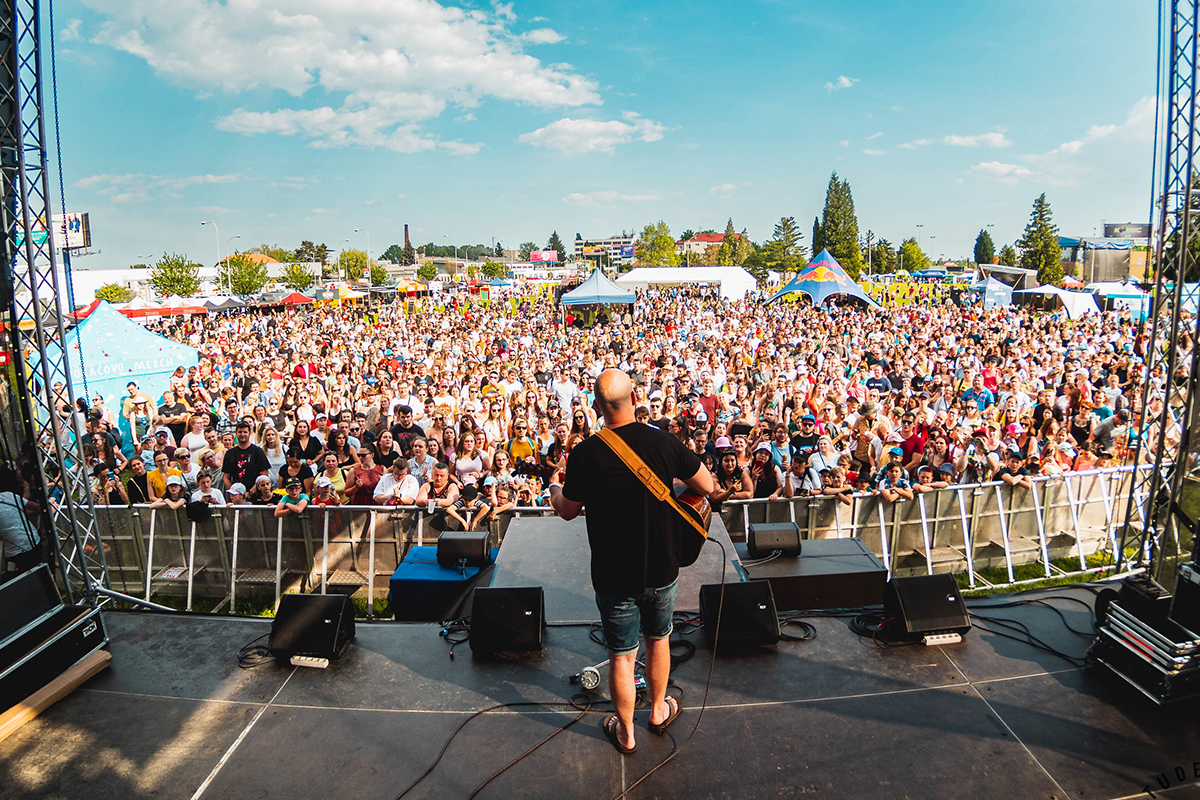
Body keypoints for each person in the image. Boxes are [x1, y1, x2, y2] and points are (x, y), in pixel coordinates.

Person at [548, 369, 713, 756]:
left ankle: (626, 733)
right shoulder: (663, 442)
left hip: (613, 574)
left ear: (596, 406)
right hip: (661, 568)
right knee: (659, 641)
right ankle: (657, 711)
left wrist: (556, 488)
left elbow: (568, 511)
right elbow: (706, 485)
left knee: (621, 656)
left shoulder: (586, 453)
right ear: (636, 396)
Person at [0, 467, 41, 577]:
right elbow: (35, 507)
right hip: (34, 542)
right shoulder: (8, 495)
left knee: (16, 580)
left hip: (15, 552)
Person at [224, 422, 270, 492]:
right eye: (240, 432)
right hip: (236, 496)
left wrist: (250, 493)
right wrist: (234, 492)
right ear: (236, 434)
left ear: (249, 433)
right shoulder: (230, 453)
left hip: (255, 495)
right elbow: (226, 477)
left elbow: (264, 476)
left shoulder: (258, 451)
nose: (242, 434)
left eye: (245, 432)